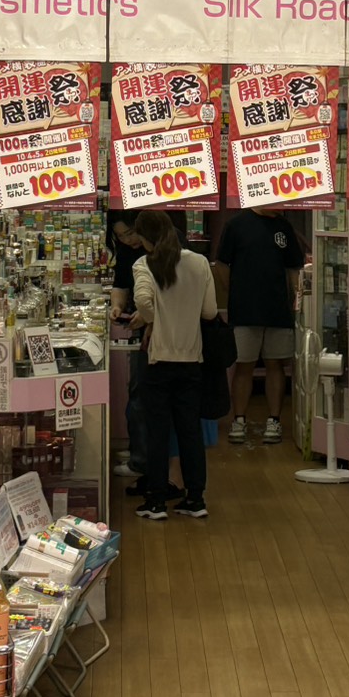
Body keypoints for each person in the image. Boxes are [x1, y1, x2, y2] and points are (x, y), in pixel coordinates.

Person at [132, 210, 217, 521]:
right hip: (191, 359)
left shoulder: (144, 264)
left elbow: (143, 301)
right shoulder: (199, 262)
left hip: (158, 360)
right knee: (190, 431)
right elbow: (209, 312)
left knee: (157, 431)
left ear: (146, 238)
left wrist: (152, 318)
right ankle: (195, 499)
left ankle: (156, 502)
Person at [214, 206, 305, 445]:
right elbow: (222, 265)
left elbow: (294, 268)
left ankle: (274, 420)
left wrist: (297, 302)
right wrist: (235, 293)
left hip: (278, 309)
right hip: (244, 311)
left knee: (276, 364)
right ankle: (239, 420)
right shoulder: (236, 225)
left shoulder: (284, 227)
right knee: (244, 365)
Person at [107, 211, 146, 479]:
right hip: (141, 327)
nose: (126, 240)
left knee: (142, 396)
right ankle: (138, 453)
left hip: (161, 333)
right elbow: (120, 284)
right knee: (137, 392)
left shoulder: (162, 249)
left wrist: (148, 313)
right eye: (120, 236)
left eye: (130, 233)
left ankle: (142, 460)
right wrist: (117, 306)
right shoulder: (125, 252)